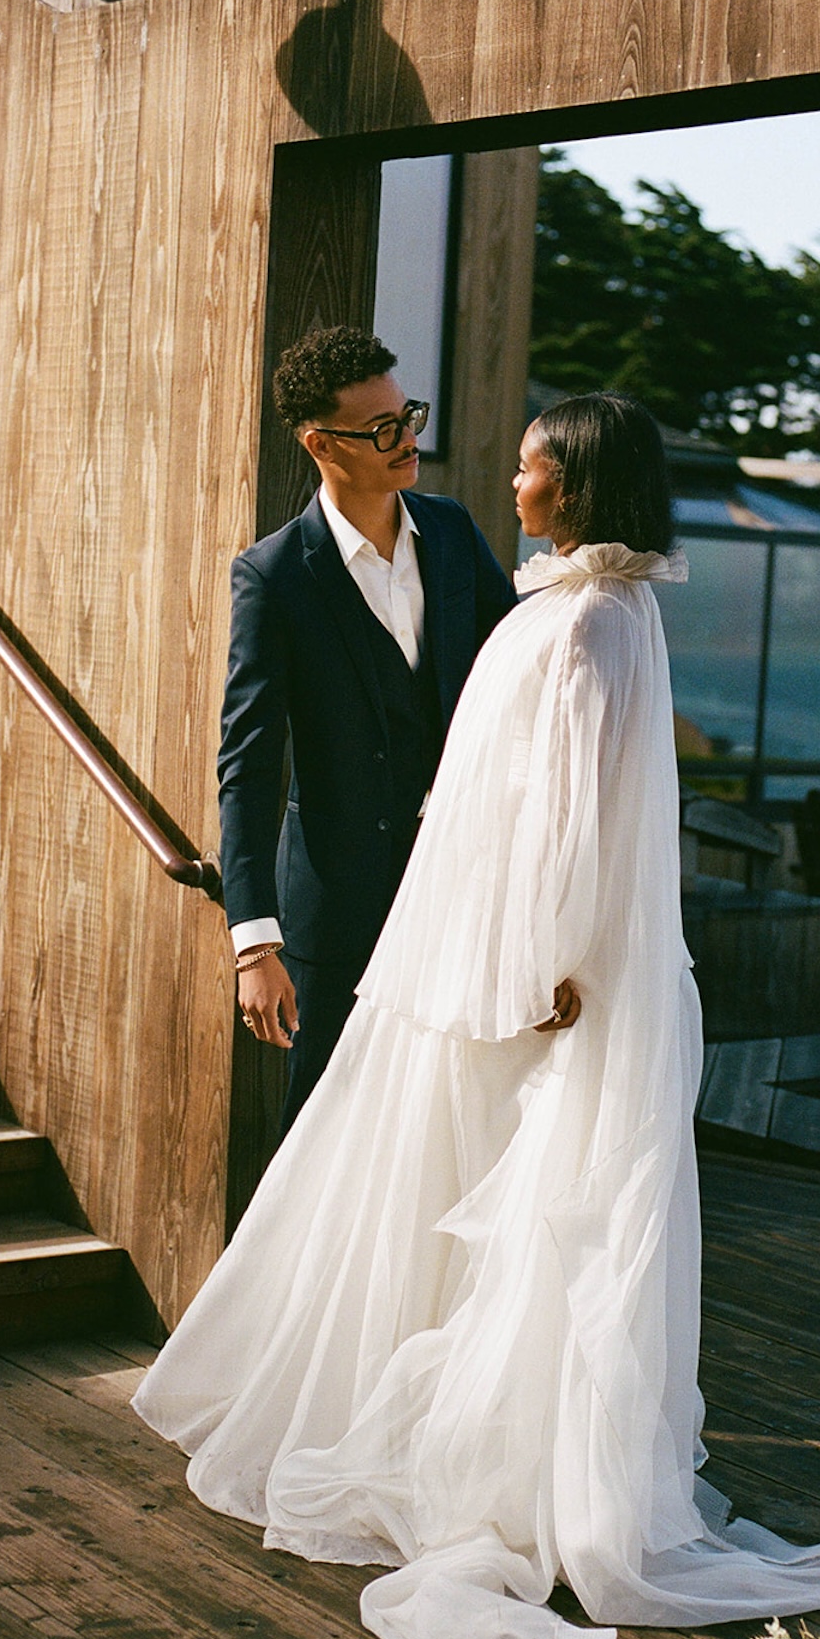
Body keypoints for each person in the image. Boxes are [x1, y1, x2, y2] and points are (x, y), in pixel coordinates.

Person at [135, 394, 820, 1639]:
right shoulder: (574, 606)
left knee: (534, 1215)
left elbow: (576, 817)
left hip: (532, 976)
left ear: (571, 483)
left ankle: (514, 1468)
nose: (508, 484)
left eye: (527, 467)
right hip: (477, 953)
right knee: (468, 1197)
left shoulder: (592, 621)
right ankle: (470, 1438)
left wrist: (540, 967)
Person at [220, 325, 515, 1133]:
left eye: (407, 416)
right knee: (325, 1127)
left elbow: (518, 674)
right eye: (382, 429)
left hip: (456, 887)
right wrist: (255, 943)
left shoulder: (450, 533)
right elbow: (248, 763)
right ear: (320, 444)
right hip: (335, 910)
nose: (407, 439)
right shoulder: (275, 576)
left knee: (442, 1122)